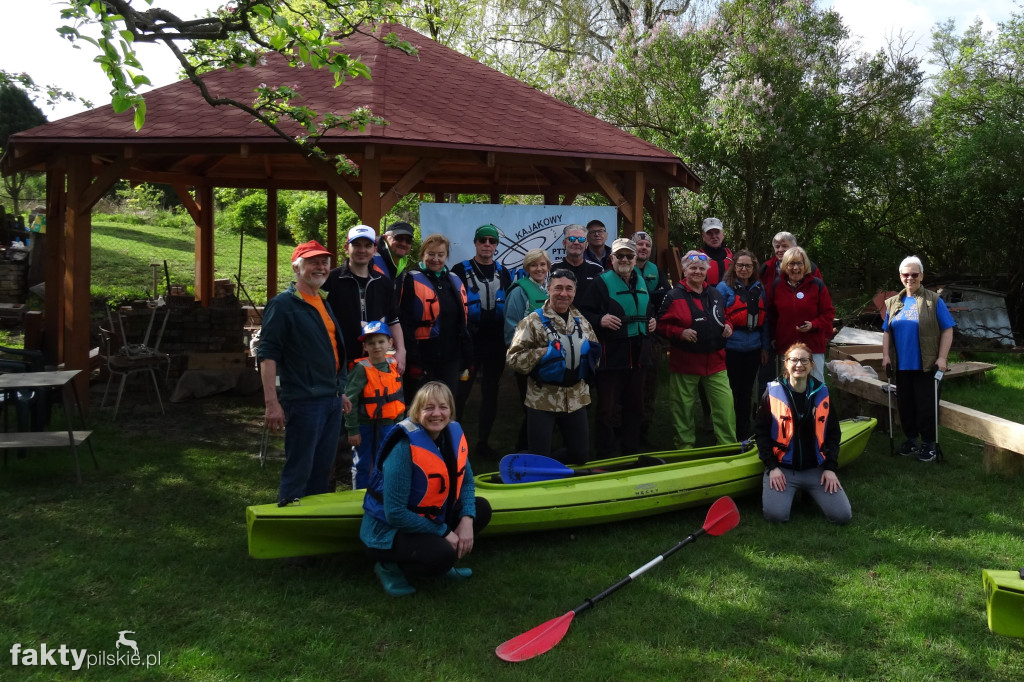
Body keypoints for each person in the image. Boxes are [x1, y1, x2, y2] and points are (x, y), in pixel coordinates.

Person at [360, 381, 492, 596]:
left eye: (443, 407)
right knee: (441, 555)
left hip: (428, 518)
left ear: (451, 411)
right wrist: (444, 532)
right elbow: (395, 513)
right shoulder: (403, 448)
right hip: (388, 531)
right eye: (428, 408)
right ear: (416, 412)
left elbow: (467, 481)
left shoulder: (450, 436)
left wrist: (467, 519)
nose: (436, 414)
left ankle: (440, 556)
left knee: (481, 508)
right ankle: (388, 566)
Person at [258, 240, 352, 506]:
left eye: (324, 262)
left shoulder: (323, 301)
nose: (320, 267)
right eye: (313, 262)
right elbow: (267, 354)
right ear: (297, 268)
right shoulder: (284, 304)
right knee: (300, 469)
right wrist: (271, 403)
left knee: (322, 469)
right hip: (304, 400)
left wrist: (340, 389)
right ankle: (288, 524)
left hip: (331, 400)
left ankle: (313, 523)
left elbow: (332, 350)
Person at [506, 269, 601, 465]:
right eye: (558, 288)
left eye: (569, 289)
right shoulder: (532, 321)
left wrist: (585, 356)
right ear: (548, 289)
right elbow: (513, 358)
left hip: (576, 397)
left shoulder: (581, 321)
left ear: (575, 292)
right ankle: (526, 464)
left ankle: (546, 464)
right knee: (540, 457)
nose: (563, 294)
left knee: (580, 456)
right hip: (543, 399)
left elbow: (594, 353)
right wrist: (541, 353)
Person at [756, 342, 851, 524]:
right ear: (786, 363)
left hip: (816, 468)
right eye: (794, 360)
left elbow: (833, 434)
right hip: (783, 468)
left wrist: (830, 468)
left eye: (804, 360)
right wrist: (772, 467)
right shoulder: (772, 393)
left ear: (811, 364)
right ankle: (797, 491)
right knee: (776, 516)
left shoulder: (822, 392)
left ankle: (809, 490)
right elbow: (761, 433)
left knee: (843, 517)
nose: (799, 365)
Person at [579, 238, 656, 457]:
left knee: (635, 406)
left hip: (639, 354)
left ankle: (630, 450)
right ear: (611, 258)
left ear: (635, 259)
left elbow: (648, 309)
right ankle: (606, 452)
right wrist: (600, 319)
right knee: (607, 409)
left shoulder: (641, 281)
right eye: (619, 256)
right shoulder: (600, 283)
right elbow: (583, 313)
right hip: (611, 355)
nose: (624, 259)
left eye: (629, 256)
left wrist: (653, 320)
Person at [656, 250, 736, 449]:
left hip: (716, 362)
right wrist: (680, 332)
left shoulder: (715, 293)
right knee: (683, 409)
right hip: (685, 363)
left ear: (707, 271)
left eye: (701, 268)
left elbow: (725, 317)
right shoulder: (673, 296)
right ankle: (685, 448)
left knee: (725, 407)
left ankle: (727, 446)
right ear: (684, 270)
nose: (697, 272)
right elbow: (661, 326)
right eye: (693, 268)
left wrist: (728, 326)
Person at [881, 256, 955, 463]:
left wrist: (942, 358)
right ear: (900, 277)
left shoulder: (933, 300)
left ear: (921, 276)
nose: (910, 278)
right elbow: (887, 331)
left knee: (926, 406)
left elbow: (947, 329)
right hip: (901, 365)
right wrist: (886, 356)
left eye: (914, 274)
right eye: (906, 274)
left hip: (927, 364)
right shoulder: (893, 302)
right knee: (906, 405)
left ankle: (928, 443)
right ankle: (911, 439)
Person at [451, 224, 513, 459]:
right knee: (462, 391)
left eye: (491, 241)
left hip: (495, 340)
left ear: (496, 245)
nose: (487, 244)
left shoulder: (503, 272)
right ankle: (455, 442)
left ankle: (483, 443)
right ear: (475, 243)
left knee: (491, 390)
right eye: (482, 240)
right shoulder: (459, 270)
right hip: (470, 341)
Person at [397, 233, 471, 400]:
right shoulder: (411, 280)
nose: (435, 259)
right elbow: (405, 324)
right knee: (422, 405)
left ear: (446, 256)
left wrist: (467, 355)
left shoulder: (453, 280)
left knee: (447, 402)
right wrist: (413, 360)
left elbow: (462, 321)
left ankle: (448, 427)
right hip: (423, 356)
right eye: (431, 254)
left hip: (451, 356)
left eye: (440, 255)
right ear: (423, 255)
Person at [323, 224, 406, 373]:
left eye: (367, 246)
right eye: (356, 245)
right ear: (346, 247)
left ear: (374, 250)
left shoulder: (384, 282)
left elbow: (393, 320)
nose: (362, 250)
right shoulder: (330, 280)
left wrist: (401, 351)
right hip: (338, 360)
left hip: (375, 361)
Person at [344, 321, 405, 489]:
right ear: (365, 346)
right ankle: (359, 496)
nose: (376, 346)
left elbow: (399, 397)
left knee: (388, 461)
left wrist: (400, 423)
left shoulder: (393, 366)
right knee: (363, 463)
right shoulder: (361, 369)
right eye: (371, 343)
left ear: (390, 343)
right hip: (365, 426)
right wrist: (353, 429)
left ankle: (383, 494)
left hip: (389, 425)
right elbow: (350, 400)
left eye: (381, 342)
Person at [716, 249, 769, 438]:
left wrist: (764, 347)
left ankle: (743, 429)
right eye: (740, 265)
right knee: (730, 390)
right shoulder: (723, 288)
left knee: (747, 391)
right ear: (734, 267)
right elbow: (718, 318)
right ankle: (726, 429)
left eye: (748, 265)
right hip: (731, 347)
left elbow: (765, 322)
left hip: (753, 348)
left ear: (753, 267)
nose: (744, 269)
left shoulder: (759, 289)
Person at [503, 248, 551, 451]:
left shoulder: (549, 289)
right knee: (530, 407)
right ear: (527, 268)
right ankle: (524, 449)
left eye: (542, 264)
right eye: (534, 265)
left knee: (544, 406)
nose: (539, 269)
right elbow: (511, 328)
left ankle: (535, 446)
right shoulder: (519, 291)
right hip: (529, 358)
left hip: (549, 357)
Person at [766, 246, 834, 383]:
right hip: (786, 347)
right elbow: (771, 315)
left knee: (815, 385)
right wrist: (773, 337)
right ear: (785, 265)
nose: (795, 268)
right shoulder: (777, 286)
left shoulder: (817, 285)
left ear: (805, 265)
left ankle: (815, 406)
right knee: (788, 386)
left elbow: (829, 312)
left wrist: (813, 325)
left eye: (799, 263)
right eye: (791, 263)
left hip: (813, 346)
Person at [633, 230, 671, 446]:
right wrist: (652, 295)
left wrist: (651, 301)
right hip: (626, 335)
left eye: (647, 245)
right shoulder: (621, 267)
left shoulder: (655, 270)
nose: (643, 248)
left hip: (651, 333)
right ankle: (622, 430)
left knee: (649, 382)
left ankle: (644, 430)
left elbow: (666, 293)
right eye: (639, 244)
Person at [551, 224, 604, 300]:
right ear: (564, 243)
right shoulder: (552, 268)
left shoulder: (597, 270)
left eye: (581, 239)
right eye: (571, 239)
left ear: (586, 245)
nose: (576, 242)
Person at [697, 217, 733, 286]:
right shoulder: (696, 257)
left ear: (723, 235)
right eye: (709, 233)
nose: (714, 236)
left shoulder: (731, 255)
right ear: (703, 236)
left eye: (717, 232)